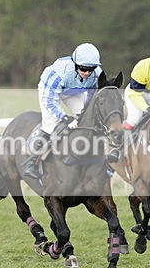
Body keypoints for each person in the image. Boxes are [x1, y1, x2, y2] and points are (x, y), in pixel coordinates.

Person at [22, 43, 103, 180]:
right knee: (50, 125)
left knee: (88, 119)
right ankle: (31, 163)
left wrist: (85, 111)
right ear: (75, 64)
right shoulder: (60, 73)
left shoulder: (97, 74)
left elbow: (91, 94)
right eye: (83, 69)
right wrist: (65, 117)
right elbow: (49, 101)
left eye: (91, 69)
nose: (87, 73)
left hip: (73, 91)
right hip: (49, 91)